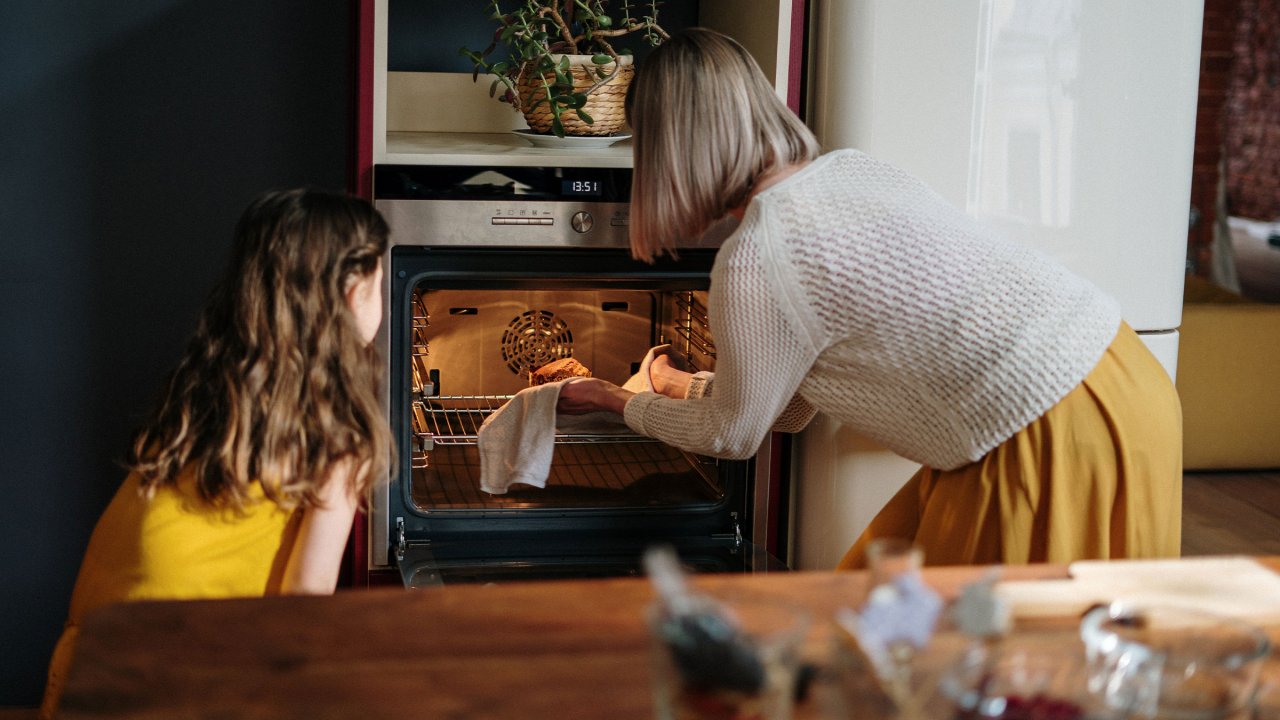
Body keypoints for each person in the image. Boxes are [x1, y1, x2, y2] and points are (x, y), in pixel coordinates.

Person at [556, 28, 1182, 570]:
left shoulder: (756, 256)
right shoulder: (854, 171)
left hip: (1043, 435)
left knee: (984, 653)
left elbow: (732, 435)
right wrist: (671, 384)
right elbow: (790, 407)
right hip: (1122, 378)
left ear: (671, 149)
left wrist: (616, 399)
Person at [40, 188, 393, 718]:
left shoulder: (207, 382)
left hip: (95, 656)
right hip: (194, 672)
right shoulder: (338, 431)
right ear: (351, 292)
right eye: (381, 281)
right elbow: (306, 594)